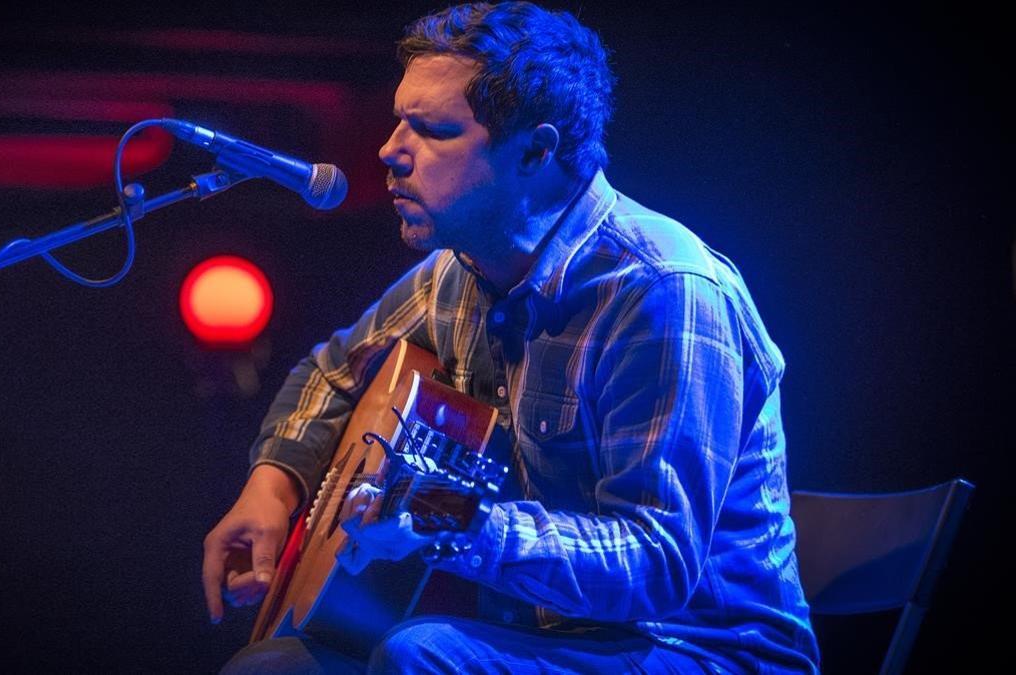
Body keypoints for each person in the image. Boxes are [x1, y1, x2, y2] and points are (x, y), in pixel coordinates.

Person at [204, 2, 820, 672]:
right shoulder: (458, 272)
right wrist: (272, 487)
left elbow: (657, 564)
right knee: (269, 666)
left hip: (701, 649)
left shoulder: (664, 292)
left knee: (422, 655)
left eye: (431, 129)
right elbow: (332, 370)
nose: (389, 150)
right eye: (398, 119)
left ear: (536, 149)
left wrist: (448, 516)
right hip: (543, 640)